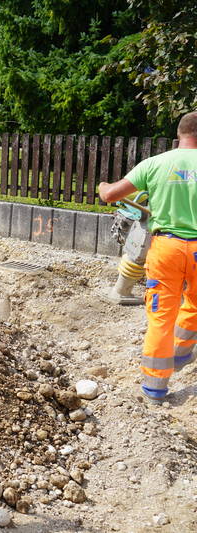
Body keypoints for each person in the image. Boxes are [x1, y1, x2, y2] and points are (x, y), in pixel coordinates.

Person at [99, 111, 197, 403]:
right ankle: (181, 353)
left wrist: (103, 187)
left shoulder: (155, 163)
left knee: (162, 316)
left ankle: (155, 389)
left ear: (179, 134)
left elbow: (111, 195)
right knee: (194, 304)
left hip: (166, 248)